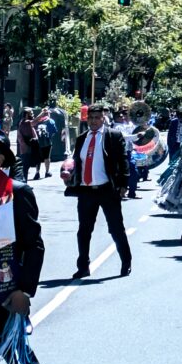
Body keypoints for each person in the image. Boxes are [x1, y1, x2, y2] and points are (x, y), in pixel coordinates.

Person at [0, 129, 63, 364]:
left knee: (18, 359)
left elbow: (34, 245)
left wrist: (24, 290)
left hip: (1, 291)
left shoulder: (15, 192)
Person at [62, 102, 132, 279]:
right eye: (90, 118)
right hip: (86, 191)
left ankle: (126, 262)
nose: (93, 121)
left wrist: (123, 184)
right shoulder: (82, 138)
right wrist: (68, 172)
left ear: (103, 118)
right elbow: (76, 161)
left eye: (97, 118)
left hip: (107, 190)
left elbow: (123, 160)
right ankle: (83, 266)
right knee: (84, 230)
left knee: (116, 229)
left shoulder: (113, 136)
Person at [32, 107, 58, 179]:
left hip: (38, 142)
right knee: (47, 157)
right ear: (48, 114)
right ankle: (47, 172)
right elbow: (54, 132)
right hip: (47, 142)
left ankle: (37, 173)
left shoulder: (38, 121)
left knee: (38, 158)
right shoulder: (51, 121)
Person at [17, 107, 39, 183]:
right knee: (25, 167)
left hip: (29, 148)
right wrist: (42, 114)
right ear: (26, 115)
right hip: (25, 149)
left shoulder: (26, 122)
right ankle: (23, 183)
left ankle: (24, 182)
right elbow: (35, 121)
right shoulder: (24, 122)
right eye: (31, 113)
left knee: (27, 166)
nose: (32, 114)